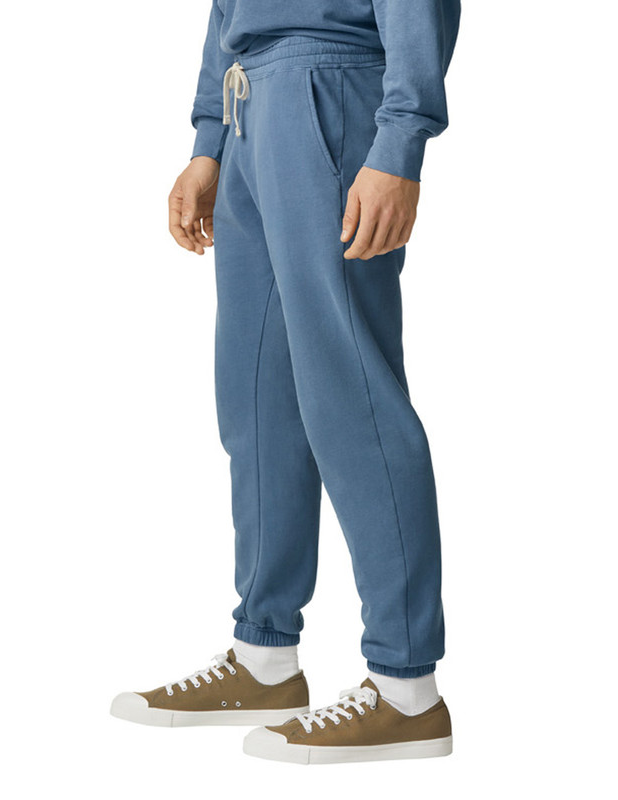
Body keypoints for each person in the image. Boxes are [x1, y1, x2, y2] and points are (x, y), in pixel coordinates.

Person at [111, 0, 461, 764]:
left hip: (331, 90)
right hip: (249, 101)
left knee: (351, 394)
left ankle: (406, 689)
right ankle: (264, 658)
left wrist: (402, 136)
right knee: (255, 400)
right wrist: (210, 139)